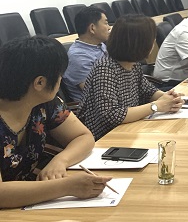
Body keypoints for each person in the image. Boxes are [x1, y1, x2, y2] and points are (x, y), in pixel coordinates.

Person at [0, 36, 110, 209]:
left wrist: (61, 161)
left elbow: (83, 136)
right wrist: (67, 187)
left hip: (29, 202)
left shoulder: (44, 103)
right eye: (60, 76)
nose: (61, 81)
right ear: (40, 82)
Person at [78, 14, 184, 140]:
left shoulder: (133, 64)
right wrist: (156, 106)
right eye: (151, 39)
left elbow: (148, 91)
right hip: (105, 137)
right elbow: (111, 115)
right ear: (139, 43)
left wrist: (169, 99)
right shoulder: (105, 69)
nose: (153, 43)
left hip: (130, 128)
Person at [62, 6, 110, 102]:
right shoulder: (78, 57)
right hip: (95, 106)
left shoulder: (99, 45)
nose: (109, 28)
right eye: (106, 23)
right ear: (92, 28)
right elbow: (97, 92)